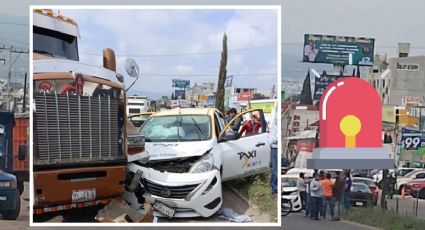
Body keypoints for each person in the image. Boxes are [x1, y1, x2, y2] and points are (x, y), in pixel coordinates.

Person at [267, 111, 278, 196]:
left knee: (275, 170)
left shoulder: (276, 126)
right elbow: (270, 140)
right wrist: (275, 140)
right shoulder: (274, 127)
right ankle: (274, 189)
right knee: (274, 170)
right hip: (274, 149)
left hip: (276, 148)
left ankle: (275, 188)